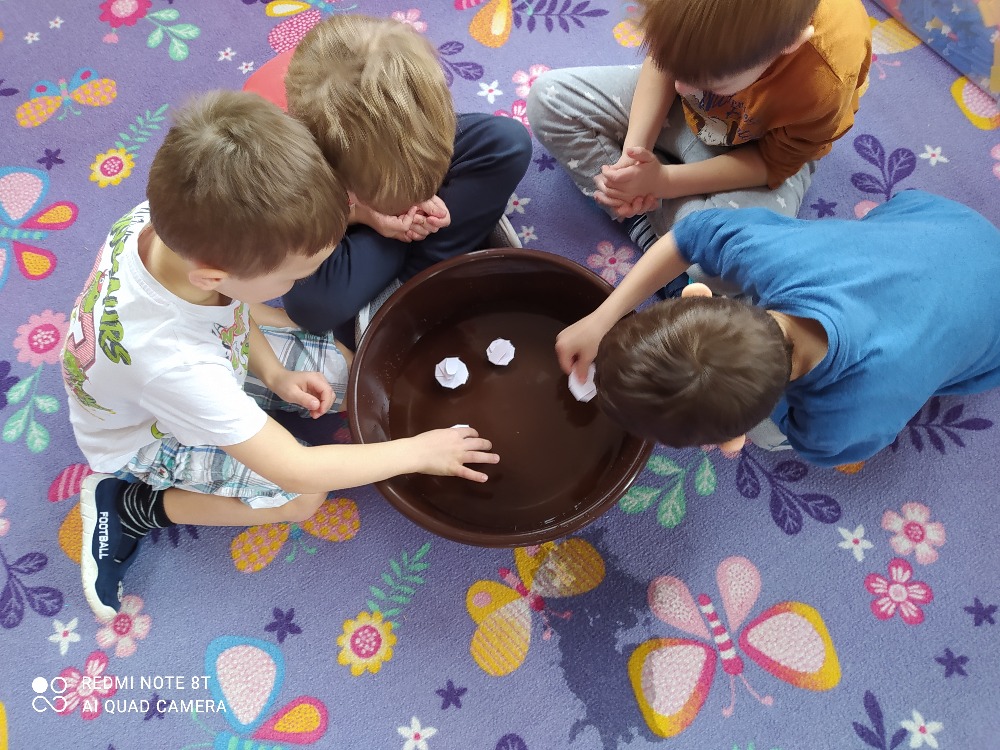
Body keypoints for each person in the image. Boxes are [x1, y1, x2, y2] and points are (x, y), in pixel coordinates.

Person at [61, 91, 500, 619]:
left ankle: (259, 384)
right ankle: (133, 507)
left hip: (185, 364)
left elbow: (228, 309)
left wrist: (273, 373)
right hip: (146, 436)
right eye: (292, 277)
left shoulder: (167, 226)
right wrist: (420, 452)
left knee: (345, 373)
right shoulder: (175, 364)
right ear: (215, 275)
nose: (297, 286)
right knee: (302, 498)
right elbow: (297, 469)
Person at [554, 190, 1000, 467]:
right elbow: (690, 235)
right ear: (698, 298)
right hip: (945, 223)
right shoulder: (779, 254)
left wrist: (740, 428)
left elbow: (840, 447)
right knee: (705, 252)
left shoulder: (834, 427)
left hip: (988, 323)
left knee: (769, 438)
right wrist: (602, 317)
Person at [526, 0, 871, 295]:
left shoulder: (824, 79)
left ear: (790, 43)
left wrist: (663, 182)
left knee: (729, 266)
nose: (682, 86)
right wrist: (633, 156)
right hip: (680, 119)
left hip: (758, 153)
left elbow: (772, 163)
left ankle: (665, 237)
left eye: (712, 82)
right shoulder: (687, 70)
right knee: (549, 99)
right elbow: (665, 69)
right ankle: (657, 238)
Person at [244, 14, 533, 347]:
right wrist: (363, 215)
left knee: (507, 142)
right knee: (312, 304)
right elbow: (291, 235)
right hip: (333, 221)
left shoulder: (411, 101)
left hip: (381, 170)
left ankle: (415, 275)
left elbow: (449, 142)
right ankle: (413, 275)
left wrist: (408, 202)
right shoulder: (277, 157)